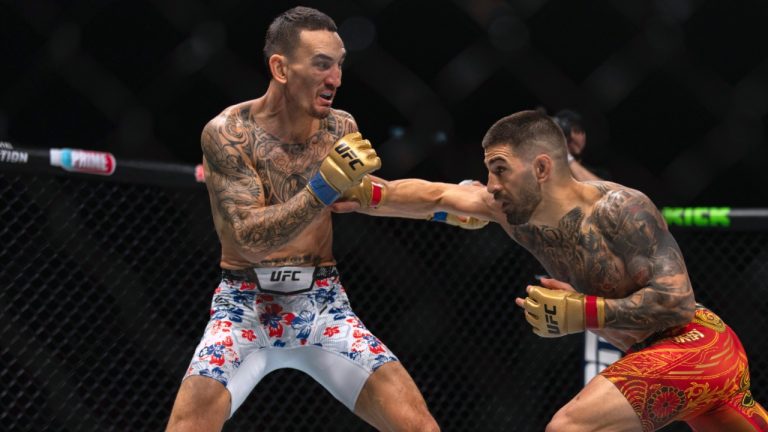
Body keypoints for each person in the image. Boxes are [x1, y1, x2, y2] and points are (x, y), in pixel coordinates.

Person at [335, 110, 768, 431]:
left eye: (500, 170)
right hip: (664, 359)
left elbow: (676, 303)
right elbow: (435, 197)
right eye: (489, 171)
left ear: (541, 168)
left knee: (569, 427)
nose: (491, 185)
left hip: (696, 344)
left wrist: (583, 312)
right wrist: (368, 192)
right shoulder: (510, 210)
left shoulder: (620, 209)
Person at [165, 7, 443, 431]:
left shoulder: (340, 127)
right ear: (280, 67)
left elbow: (371, 196)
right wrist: (322, 188)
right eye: (321, 64)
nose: (336, 78)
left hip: (323, 304)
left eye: (339, 64)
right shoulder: (227, 133)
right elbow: (249, 237)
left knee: (419, 426)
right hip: (244, 307)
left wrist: (452, 206)